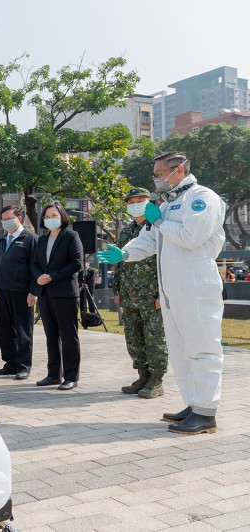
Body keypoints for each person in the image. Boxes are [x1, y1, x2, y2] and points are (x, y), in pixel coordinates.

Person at [99, 151, 226, 435]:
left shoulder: (202, 198)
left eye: (159, 174)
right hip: (172, 290)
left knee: (202, 348)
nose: (156, 180)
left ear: (178, 170)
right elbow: (151, 239)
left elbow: (191, 238)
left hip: (196, 287)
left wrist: (158, 222)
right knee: (181, 350)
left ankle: (206, 412)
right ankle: (193, 404)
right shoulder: (169, 204)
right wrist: (125, 253)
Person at [113, 187, 169, 399]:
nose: (135, 204)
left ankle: (157, 380)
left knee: (154, 339)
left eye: (141, 200)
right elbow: (119, 263)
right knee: (134, 338)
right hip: (129, 295)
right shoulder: (126, 231)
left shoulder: (158, 228)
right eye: (131, 201)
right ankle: (143, 375)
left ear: (150, 202)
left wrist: (160, 294)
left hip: (151, 295)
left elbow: (164, 262)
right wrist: (117, 290)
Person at [31, 202, 83, 390]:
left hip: (64, 293)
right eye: (47, 216)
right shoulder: (41, 240)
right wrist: (39, 277)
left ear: (62, 216)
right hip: (45, 293)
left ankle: (71, 376)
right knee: (51, 335)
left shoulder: (71, 236)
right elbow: (34, 264)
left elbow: (76, 263)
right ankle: (53, 374)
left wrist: (52, 276)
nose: (50, 219)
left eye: (54, 215)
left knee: (69, 335)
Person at [0, 205, 38, 380]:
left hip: (21, 292)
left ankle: (24, 365)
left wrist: (33, 291)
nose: (6, 222)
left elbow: (35, 268)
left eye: (10, 218)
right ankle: (10, 364)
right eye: (3, 219)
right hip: (3, 290)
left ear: (19, 218)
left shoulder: (30, 239)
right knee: (5, 330)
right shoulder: (2, 241)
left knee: (23, 330)